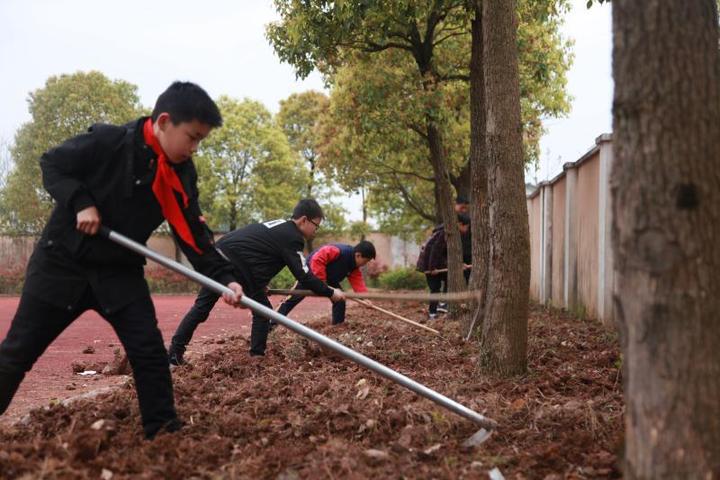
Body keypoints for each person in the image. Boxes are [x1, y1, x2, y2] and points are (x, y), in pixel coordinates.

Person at [0, 82, 244, 439]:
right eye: (191, 137)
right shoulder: (108, 142)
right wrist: (82, 201)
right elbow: (52, 163)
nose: (193, 148)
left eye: (200, 141)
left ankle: (162, 432)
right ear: (164, 121)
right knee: (18, 352)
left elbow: (192, 231)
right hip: (62, 263)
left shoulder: (180, 172)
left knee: (148, 352)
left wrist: (225, 277)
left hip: (118, 271)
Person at [168, 199, 345, 364]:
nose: (316, 231)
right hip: (239, 265)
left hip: (219, 254)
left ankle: (174, 353)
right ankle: (257, 358)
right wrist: (331, 292)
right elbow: (304, 275)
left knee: (201, 308)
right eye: (316, 225)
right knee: (263, 312)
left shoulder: (281, 226)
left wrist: (260, 283)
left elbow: (260, 251)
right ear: (304, 220)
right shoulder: (293, 237)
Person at [277, 241, 376, 325]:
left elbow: (357, 280)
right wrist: (321, 283)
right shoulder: (339, 251)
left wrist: (364, 298)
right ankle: (272, 321)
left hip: (330, 280)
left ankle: (337, 327)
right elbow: (318, 259)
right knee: (293, 298)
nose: (365, 264)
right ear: (358, 255)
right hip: (311, 275)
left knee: (340, 299)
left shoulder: (354, 266)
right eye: (366, 261)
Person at [424, 214, 471, 319]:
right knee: (435, 289)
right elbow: (434, 251)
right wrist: (432, 268)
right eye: (466, 226)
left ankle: (443, 303)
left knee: (449, 280)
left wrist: (459, 264)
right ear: (459, 224)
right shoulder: (444, 233)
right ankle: (432, 312)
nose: (467, 229)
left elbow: (449, 255)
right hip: (431, 265)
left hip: (440, 265)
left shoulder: (454, 235)